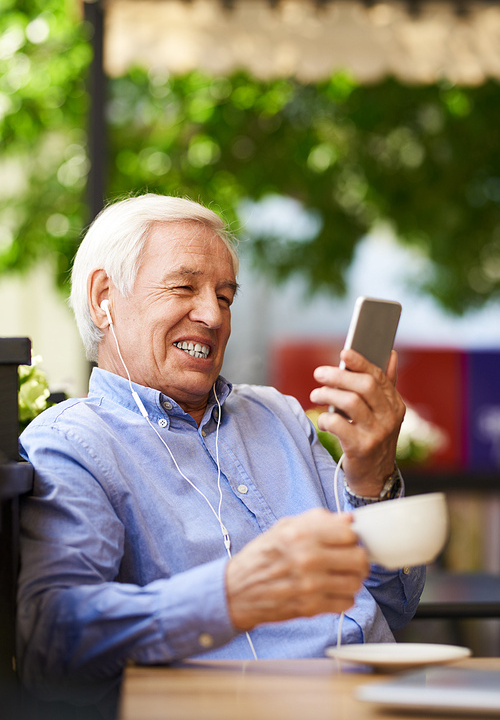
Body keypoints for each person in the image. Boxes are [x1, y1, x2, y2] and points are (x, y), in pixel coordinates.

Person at [17, 194, 424, 711]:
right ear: (104, 298)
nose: (212, 315)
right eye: (183, 287)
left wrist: (373, 476)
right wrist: (228, 595)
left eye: (226, 297)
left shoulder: (278, 415)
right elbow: (52, 638)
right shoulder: (75, 441)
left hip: (389, 699)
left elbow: (396, 603)